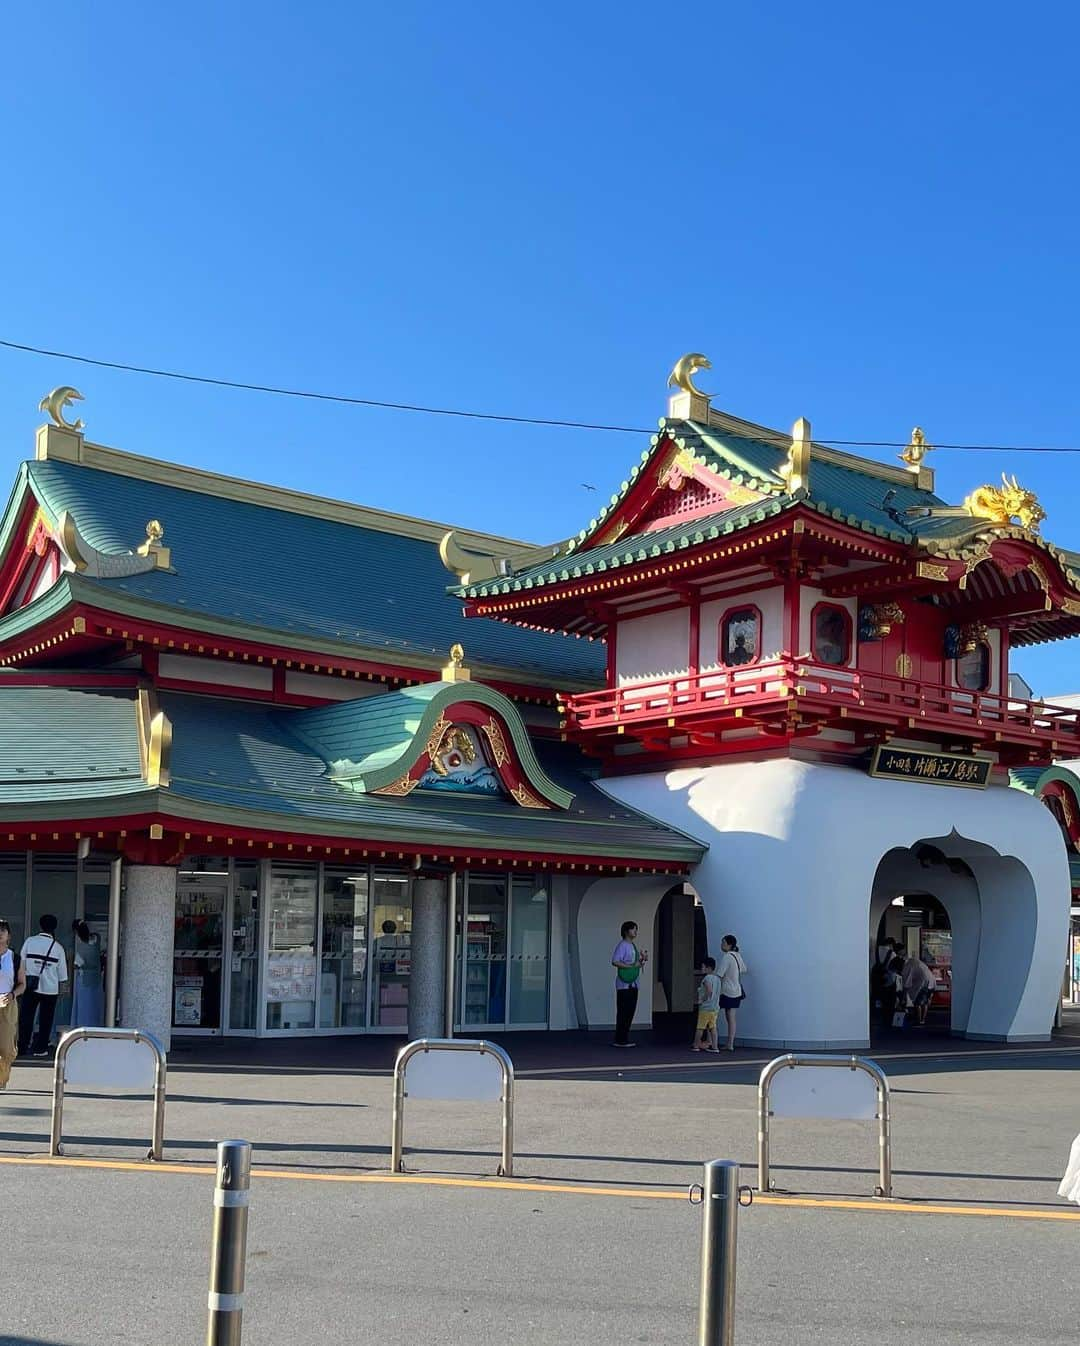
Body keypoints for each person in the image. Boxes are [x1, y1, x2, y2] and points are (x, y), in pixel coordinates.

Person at [18, 914, 68, 1058]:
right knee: (46, 1020)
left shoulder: (30, 941)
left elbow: (21, 962)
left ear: (41, 926)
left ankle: (22, 1047)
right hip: (50, 989)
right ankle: (41, 1049)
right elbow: (62, 975)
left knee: (26, 1018)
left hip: (30, 986)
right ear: (54, 928)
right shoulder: (58, 948)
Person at [611, 920, 647, 1047]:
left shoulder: (633, 946)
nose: (635, 932)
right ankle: (620, 1039)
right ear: (626, 931)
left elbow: (636, 964)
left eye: (636, 929)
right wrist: (630, 966)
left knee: (629, 1011)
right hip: (624, 984)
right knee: (624, 1011)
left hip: (633, 983)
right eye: (633, 929)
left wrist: (642, 960)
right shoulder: (623, 945)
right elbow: (615, 961)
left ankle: (623, 1037)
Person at [0, 920, 26, 1091]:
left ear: (8, 935)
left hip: (7, 1003)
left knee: (7, 1049)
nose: (0, 933)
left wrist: (12, 994)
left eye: (3, 930)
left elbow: (22, 984)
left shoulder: (15, 958)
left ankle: (2, 1077)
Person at [71, 920, 104, 1028]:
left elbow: (76, 964)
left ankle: (81, 1027)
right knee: (95, 1005)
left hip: (84, 980)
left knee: (83, 1007)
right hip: (96, 979)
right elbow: (96, 933)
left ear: (77, 933)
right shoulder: (96, 942)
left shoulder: (81, 948)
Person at [717, 934, 747, 1051]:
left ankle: (715, 1041)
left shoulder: (727, 957)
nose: (721, 945)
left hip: (726, 990)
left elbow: (720, 973)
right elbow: (744, 969)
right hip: (737, 990)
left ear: (729, 945)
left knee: (721, 1016)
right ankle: (731, 1043)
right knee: (732, 1017)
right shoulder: (737, 956)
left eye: (723, 943)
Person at [692, 957, 721, 1053]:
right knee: (713, 1027)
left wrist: (702, 1000)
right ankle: (715, 1046)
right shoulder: (717, 979)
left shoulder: (707, 978)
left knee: (700, 1027)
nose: (701, 968)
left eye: (703, 967)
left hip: (706, 1008)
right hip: (715, 1008)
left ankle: (696, 1045)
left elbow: (709, 990)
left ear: (708, 968)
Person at [901, 952, 936, 1026]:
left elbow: (907, 983)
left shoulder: (908, 965)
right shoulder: (914, 961)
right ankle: (922, 1020)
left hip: (923, 983)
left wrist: (903, 997)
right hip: (931, 981)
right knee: (925, 1003)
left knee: (918, 1003)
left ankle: (919, 1020)